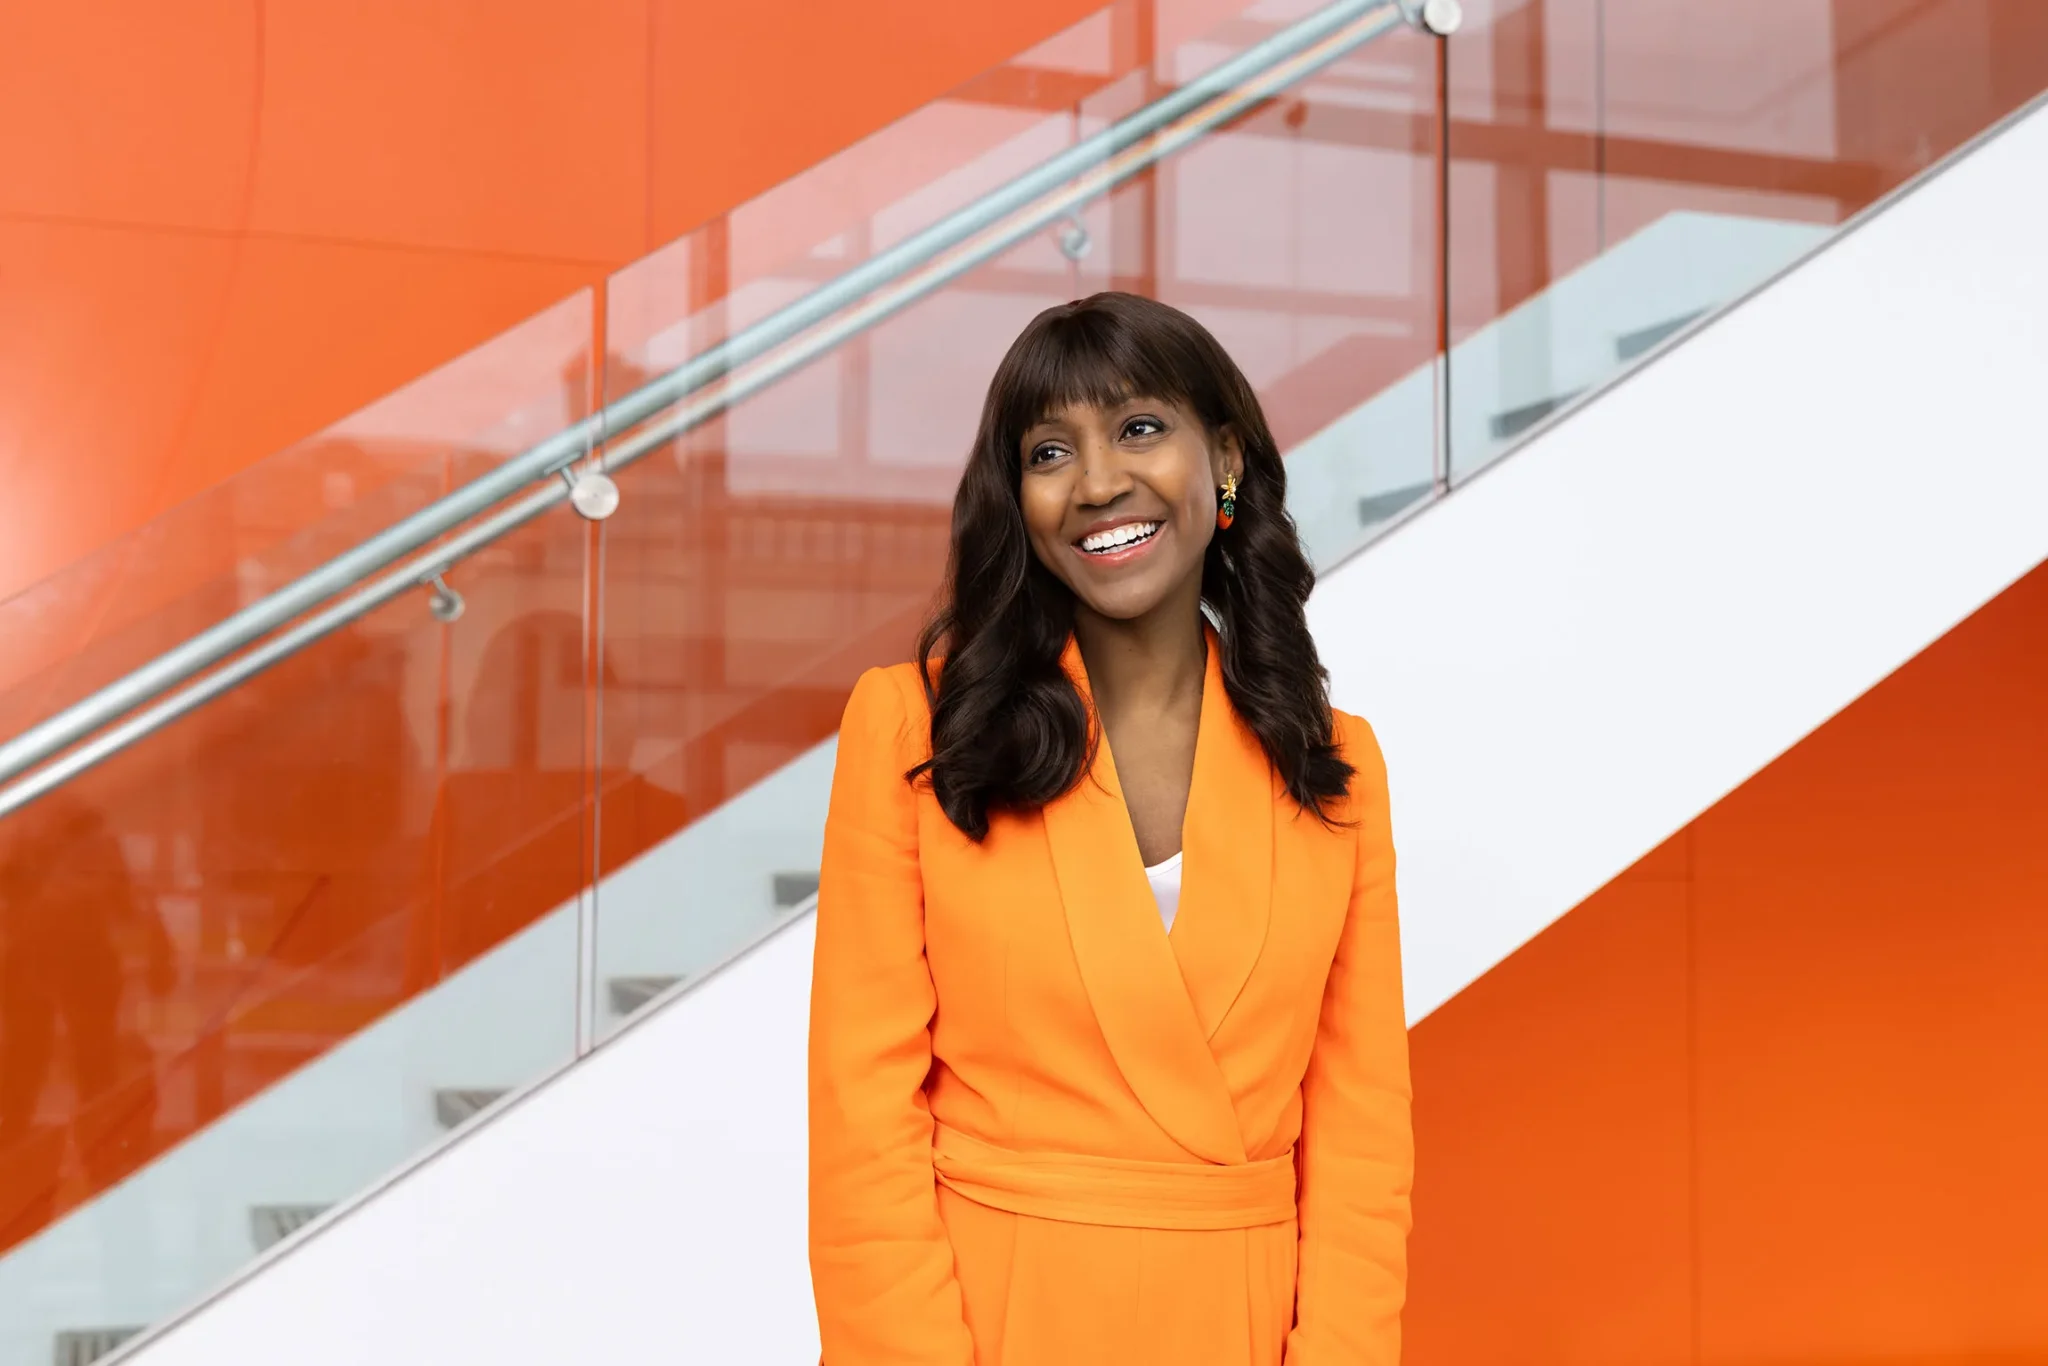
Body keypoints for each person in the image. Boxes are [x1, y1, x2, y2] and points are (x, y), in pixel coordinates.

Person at [808, 292, 1412, 1365]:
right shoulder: (912, 728)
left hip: (1241, 1329)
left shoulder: (1334, 763)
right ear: (1017, 499)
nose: (1096, 483)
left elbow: (1362, 1144)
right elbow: (863, 1122)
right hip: (993, 1322)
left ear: (1222, 458)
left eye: (1138, 428)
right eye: (1049, 451)